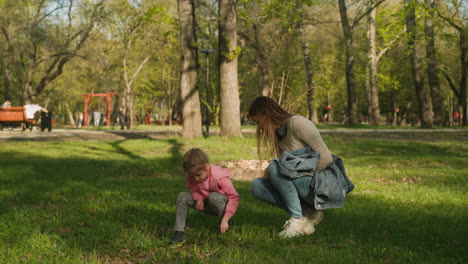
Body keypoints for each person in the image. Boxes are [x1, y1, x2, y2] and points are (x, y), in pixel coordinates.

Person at [248, 96, 354, 238]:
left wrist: (291, 172)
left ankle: (297, 219)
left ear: (267, 114)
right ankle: (307, 214)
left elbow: (327, 159)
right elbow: (286, 167)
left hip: (324, 186)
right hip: (305, 185)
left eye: (258, 121)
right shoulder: (278, 133)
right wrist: (274, 173)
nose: (259, 127)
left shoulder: (297, 123)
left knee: (275, 167)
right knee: (258, 186)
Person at [170, 148, 240, 245]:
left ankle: (225, 223)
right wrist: (199, 198)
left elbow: (234, 197)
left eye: (198, 175)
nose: (196, 179)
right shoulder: (191, 175)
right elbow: (193, 188)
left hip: (221, 206)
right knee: (182, 196)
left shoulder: (219, 177)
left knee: (213, 197)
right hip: (206, 203)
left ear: (207, 167)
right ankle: (179, 231)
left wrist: (226, 218)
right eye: (192, 176)